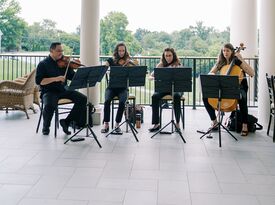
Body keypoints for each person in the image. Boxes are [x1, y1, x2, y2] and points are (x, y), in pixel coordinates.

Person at [36, 42, 89, 135]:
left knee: (83, 99)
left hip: (63, 90)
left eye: (62, 51)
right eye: (58, 51)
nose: (61, 53)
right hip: (49, 91)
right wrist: (56, 79)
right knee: (49, 105)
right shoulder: (43, 64)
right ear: (51, 51)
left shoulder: (64, 63)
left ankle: (66, 122)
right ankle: (46, 127)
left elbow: (72, 76)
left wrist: (80, 72)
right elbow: (39, 81)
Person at [202, 43, 255, 136]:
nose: (225, 53)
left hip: (238, 88)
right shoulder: (221, 63)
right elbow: (211, 73)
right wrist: (212, 74)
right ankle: (214, 121)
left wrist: (241, 59)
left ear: (232, 52)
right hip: (223, 88)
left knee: (242, 98)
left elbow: (252, 73)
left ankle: (245, 124)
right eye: (224, 51)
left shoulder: (238, 62)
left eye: (227, 51)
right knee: (205, 97)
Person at [101, 42, 137, 133]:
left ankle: (117, 124)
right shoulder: (111, 60)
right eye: (119, 50)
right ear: (116, 51)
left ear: (125, 51)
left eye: (123, 51)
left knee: (122, 102)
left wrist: (131, 63)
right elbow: (105, 66)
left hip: (123, 88)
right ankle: (106, 123)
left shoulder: (128, 61)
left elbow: (137, 68)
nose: (121, 52)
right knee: (107, 101)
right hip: (111, 87)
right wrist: (106, 66)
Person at [148, 47, 183, 132]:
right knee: (155, 96)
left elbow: (182, 77)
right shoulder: (160, 65)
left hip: (176, 88)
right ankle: (156, 124)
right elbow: (151, 76)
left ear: (173, 55)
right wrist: (152, 78)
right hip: (164, 88)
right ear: (164, 56)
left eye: (170, 55)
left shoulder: (178, 64)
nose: (168, 57)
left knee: (176, 96)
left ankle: (177, 124)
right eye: (166, 56)